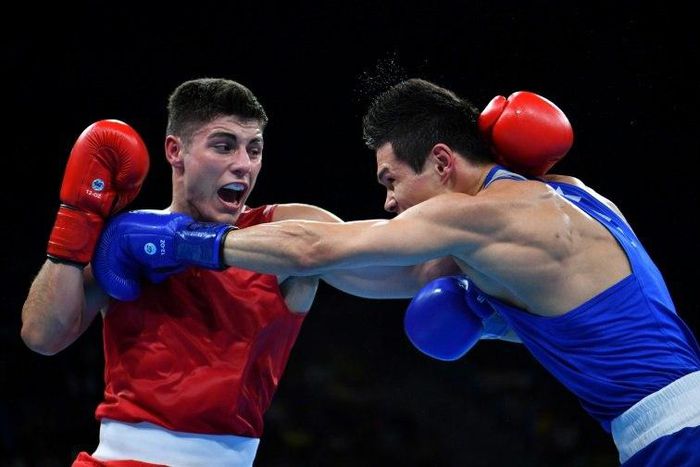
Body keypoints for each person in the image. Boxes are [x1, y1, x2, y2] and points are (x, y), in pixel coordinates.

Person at [95, 78, 700, 466]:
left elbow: (316, 251)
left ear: (440, 161)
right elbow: (603, 313)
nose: (387, 202)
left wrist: (190, 243)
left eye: (391, 180)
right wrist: (498, 323)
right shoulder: (572, 196)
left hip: (675, 436)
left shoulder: (480, 218)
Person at [21, 77, 470, 466]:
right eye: (224, 145)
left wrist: (489, 207)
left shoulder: (287, 234)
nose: (244, 164)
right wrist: (77, 220)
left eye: (254, 149)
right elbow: (43, 335)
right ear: (175, 151)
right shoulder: (129, 239)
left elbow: (408, 271)